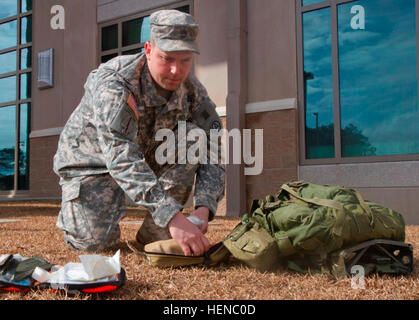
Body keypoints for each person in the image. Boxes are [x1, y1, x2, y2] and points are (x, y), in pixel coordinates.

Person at [53, 9, 225, 256]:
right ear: (148, 49)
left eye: (185, 60)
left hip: (145, 156)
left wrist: (204, 208)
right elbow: (121, 157)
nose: (176, 70)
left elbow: (214, 145)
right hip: (92, 164)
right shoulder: (115, 83)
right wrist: (173, 217)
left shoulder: (192, 91)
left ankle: (154, 233)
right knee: (95, 246)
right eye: (167, 58)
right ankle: (76, 212)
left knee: (195, 138)